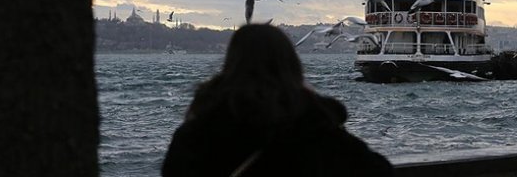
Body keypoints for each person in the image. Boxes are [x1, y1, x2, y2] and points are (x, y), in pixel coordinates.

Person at [162, 23, 394, 176]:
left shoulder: (196, 134)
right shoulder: (315, 129)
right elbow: (379, 172)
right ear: (292, 66)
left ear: (230, 64)